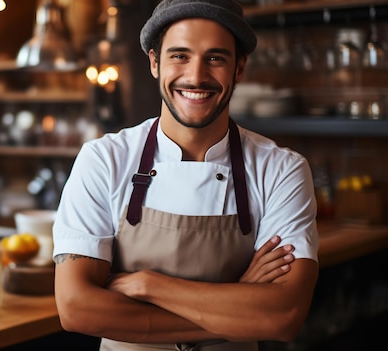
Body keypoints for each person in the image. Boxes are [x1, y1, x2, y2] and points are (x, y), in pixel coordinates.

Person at [52, 0, 319, 350]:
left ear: (239, 68)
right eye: (180, 55)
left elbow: (284, 316)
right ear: (154, 62)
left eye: (215, 58)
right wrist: (239, 303)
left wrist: (150, 285)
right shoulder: (104, 160)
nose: (196, 77)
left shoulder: (282, 170)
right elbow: (77, 309)